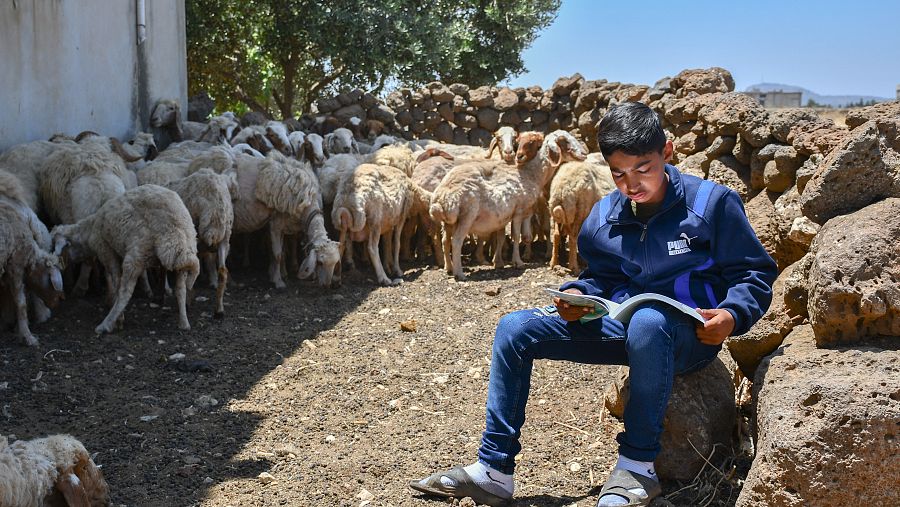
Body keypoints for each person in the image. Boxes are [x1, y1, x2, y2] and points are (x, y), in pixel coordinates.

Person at [409, 102, 777, 507]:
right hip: (624, 329)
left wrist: (731, 315)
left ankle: (637, 467)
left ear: (667, 153)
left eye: (643, 169)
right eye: (619, 173)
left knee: (651, 321)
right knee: (515, 329)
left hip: (689, 339)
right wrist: (580, 295)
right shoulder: (604, 213)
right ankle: (494, 471)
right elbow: (600, 276)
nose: (631, 184)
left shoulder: (712, 204)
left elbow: (753, 273)